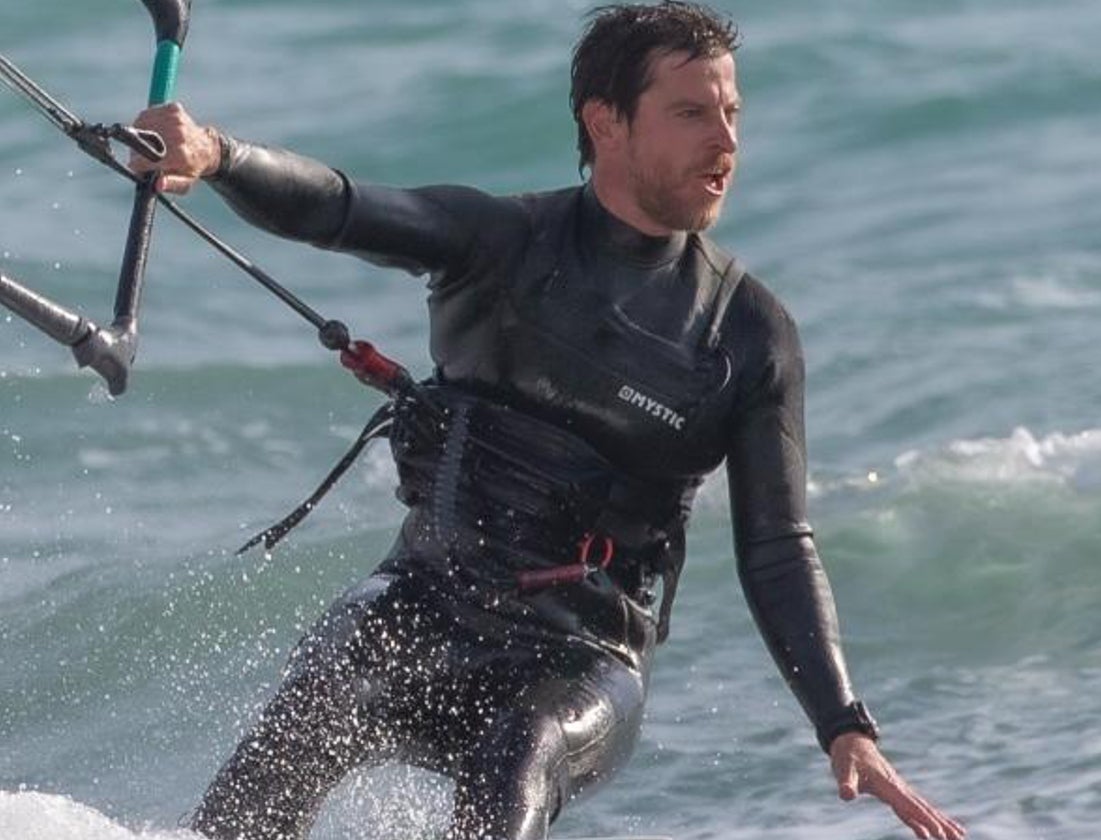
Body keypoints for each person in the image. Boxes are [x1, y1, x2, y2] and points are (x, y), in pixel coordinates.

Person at [133, 3, 966, 839]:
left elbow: (778, 545)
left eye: (732, 113)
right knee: (326, 688)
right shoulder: (504, 244)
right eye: (691, 113)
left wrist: (843, 723)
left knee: (521, 752)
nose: (726, 141)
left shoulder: (747, 336)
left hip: (583, 661)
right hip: (425, 602)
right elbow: (344, 208)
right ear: (605, 123)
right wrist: (217, 155)